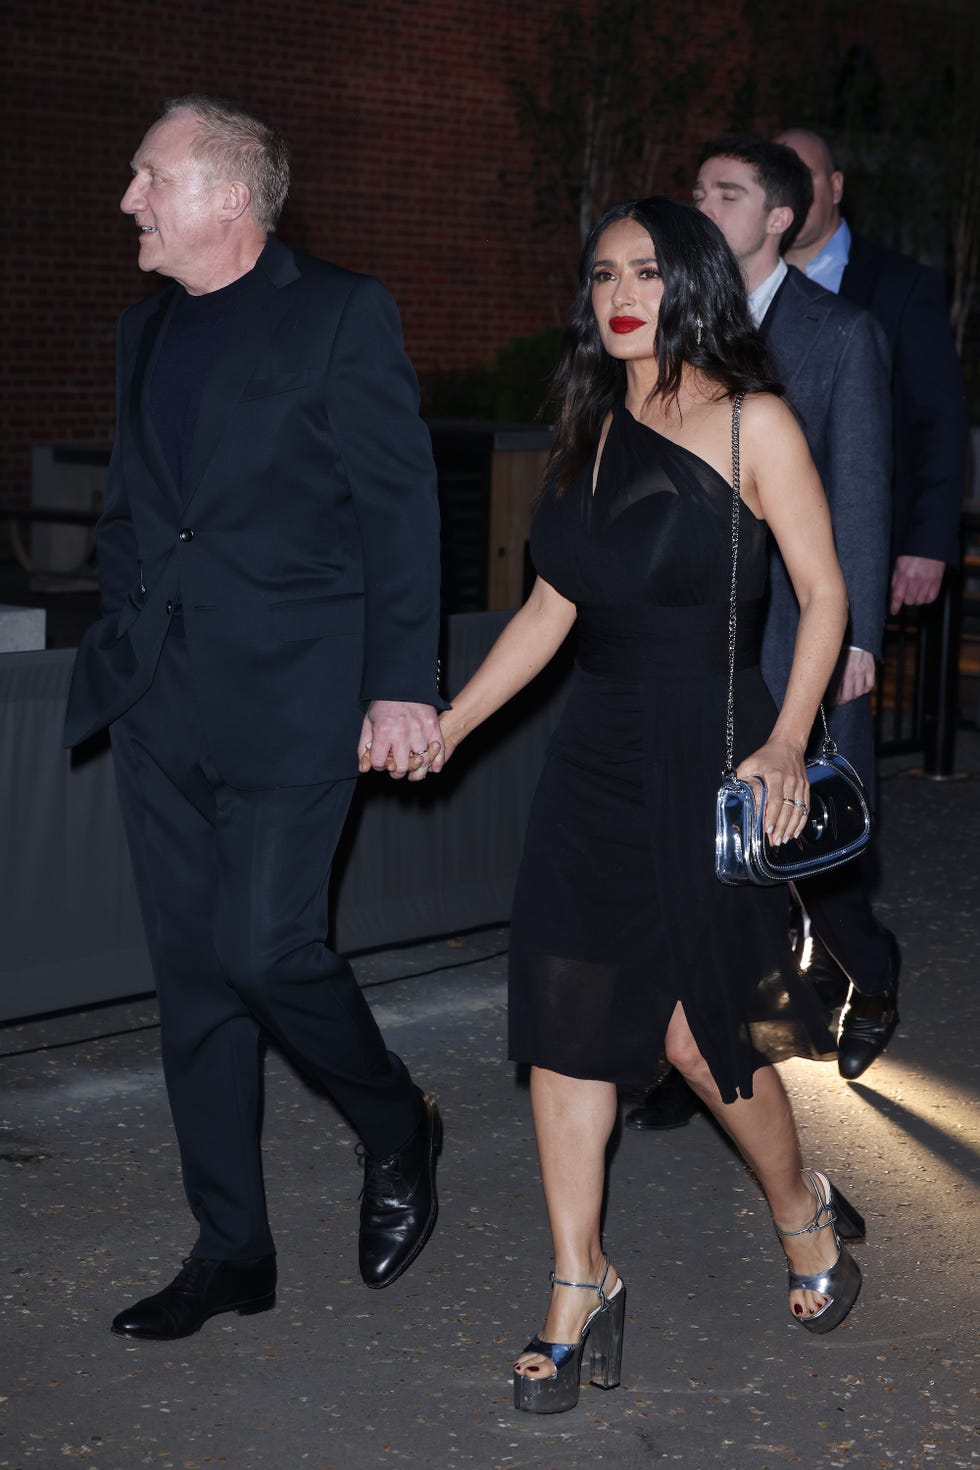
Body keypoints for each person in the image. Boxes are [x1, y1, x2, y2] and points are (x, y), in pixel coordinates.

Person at [439, 196, 864, 1414]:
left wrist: (787, 742)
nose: (618, 296)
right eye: (601, 277)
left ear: (691, 287)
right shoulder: (583, 429)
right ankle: (578, 1280)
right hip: (593, 757)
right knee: (565, 1014)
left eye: (644, 274)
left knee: (696, 1033)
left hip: (713, 750)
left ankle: (801, 1212)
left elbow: (823, 594)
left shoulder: (753, 423)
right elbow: (548, 611)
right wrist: (455, 725)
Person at [64, 95, 445, 1341]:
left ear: (227, 195)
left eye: (146, 177)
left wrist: (402, 683)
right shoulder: (141, 331)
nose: (128, 200)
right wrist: (123, 630)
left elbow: (399, 509)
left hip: (298, 700)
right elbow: (138, 512)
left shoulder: (338, 311)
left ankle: (397, 1124)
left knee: (265, 949)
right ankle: (232, 1248)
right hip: (160, 704)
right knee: (193, 984)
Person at [626, 139, 894, 1134]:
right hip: (694, 634)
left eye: (724, 192)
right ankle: (690, 1044)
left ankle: (867, 973)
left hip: (797, 624)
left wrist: (853, 634)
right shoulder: (676, 321)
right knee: (694, 846)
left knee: (803, 851)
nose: (703, 202)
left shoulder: (838, 334)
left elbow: (858, 491)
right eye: (695, 188)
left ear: (776, 217)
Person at [776, 126, 968, 617]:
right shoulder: (737, 286)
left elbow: (939, 420)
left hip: (860, 539)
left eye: (806, 177)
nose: (794, 193)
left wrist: (928, 542)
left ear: (836, 186)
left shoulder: (902, 286)